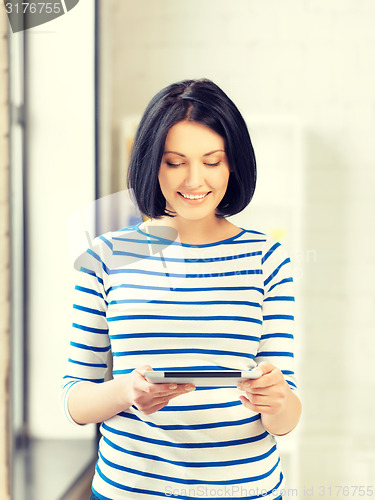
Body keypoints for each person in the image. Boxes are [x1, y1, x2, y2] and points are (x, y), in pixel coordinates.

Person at [62, 78, 302, 500]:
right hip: (130, 489)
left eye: (213, 161)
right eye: (175, 162)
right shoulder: (106, 256)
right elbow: (75, 400)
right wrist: (125, 391)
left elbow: (286, 416)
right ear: (153, 163)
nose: (194, 180)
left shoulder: (267, 258)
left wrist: (277, 400)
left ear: (233, 164)